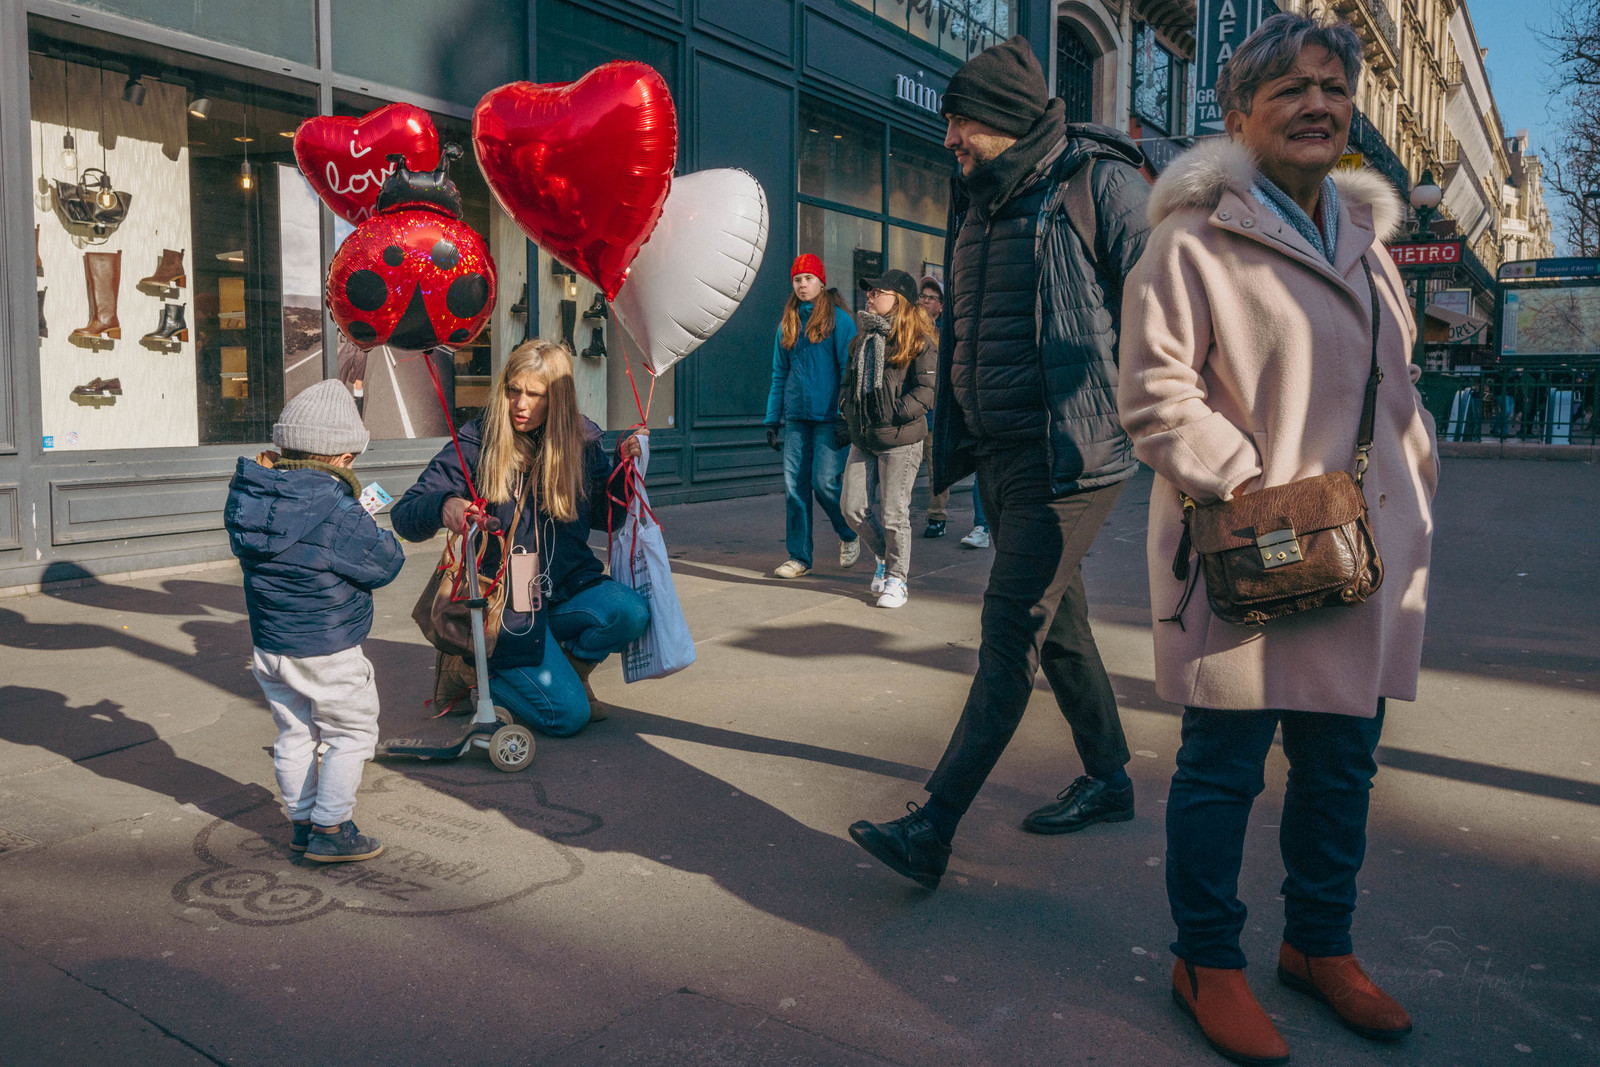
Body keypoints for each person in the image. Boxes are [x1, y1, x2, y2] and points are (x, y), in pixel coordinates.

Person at [1117, 14, 1439, 1064]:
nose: (1317, 105)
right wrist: (1256, 490)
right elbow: (1155, 396)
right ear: (1237, 112)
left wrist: (1415, 485)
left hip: (1361, 553)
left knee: (1341, 767)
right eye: (1291, 88)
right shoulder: (1190, 239)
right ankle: (1205, 961)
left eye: (1333, 89)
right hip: (1252, 549)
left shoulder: (1369, 241)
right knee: (1222, 768)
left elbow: (1395, 387)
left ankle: (1318, 944)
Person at [848, 35, 1150, 888]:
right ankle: (1109, 777)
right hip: (1003, 451)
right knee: (1061, 628)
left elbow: (1168, 307)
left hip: (1073, 455)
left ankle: (933, 826)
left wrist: (1155, 424)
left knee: (1011, 631)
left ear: (1008, 120)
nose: (949, 137)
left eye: (962, 122)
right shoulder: (978, 198)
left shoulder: (1098, 182)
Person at [392, 339, 649, 735]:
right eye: (513, 390)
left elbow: (607, 518)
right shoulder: (478, 441)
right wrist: (444, 505)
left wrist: (625, 471)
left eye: (534, 394)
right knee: (569, 717)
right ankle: (469, 672)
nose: (520, 404)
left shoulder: (582, 441)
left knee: (630, 612)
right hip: (504, 607)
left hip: (566, 588)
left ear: (557, 400)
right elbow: (405, 515)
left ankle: (567, 673)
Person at [224, 379, 405, 864]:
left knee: (294, 734)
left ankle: (302, 823)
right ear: (343, 458)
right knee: (351, 735)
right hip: (327, 646)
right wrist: (364, 518)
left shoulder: (250, 496)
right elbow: (386, 563)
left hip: (271, 645)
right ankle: (332, 828)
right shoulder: (340, 511)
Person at [839, 269, 938, 608]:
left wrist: (893, 412)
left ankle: (897, 579)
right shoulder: (863, 338)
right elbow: (848, 382)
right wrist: (846, 407)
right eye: (869, 291)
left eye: (877, 291)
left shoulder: (918, 340)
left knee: (894, 513)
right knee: (852, 508)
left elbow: (927, 391)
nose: (870, 296)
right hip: (864, 435)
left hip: (901, 438)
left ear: (899, 300)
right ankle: (884, 555)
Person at [764, 254, 860, 579]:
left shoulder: (840, 322)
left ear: (821, 282)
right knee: (794, 487)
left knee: (824, 483)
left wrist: (846, 415)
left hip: (830, 418)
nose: (802, 284)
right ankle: (799, 557)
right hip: (796, 419)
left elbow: (849, 371)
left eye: (808, 278)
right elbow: (779, 374)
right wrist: (771, 420)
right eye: (797, 279)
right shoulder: (787, 324)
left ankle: (848, 532)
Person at [916, 275, 991, 549]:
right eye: (922, 296)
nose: (925, 301)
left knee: (937, 470)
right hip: (911, 413)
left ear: (942, 305)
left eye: (931, 298)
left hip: (936, 414)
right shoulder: (910, 329)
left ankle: (938, 517)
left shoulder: (949, 334)